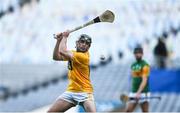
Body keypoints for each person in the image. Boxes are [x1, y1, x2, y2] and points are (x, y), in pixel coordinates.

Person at [48, 31, 96, 112]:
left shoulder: (83, 57)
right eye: (82, 41)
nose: (84, 44)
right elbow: (56, 57)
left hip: (85, 93)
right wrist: (59, 41)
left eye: (87, 43)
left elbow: (62, 51)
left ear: (89, 47)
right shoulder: (73, 54)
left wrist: (65, 37)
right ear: (77, 43)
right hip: (71, 91)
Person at [126, 47, 150, 112]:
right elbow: (133, 79)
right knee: (128, 110)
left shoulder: (145, 65)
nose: (137, 54)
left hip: (143, 92)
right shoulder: (133, 65)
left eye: (139, 53)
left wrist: (138, 92)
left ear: (142, 54)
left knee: (145, 111)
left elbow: (144, 80)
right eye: (135, 53)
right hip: (134, 92)